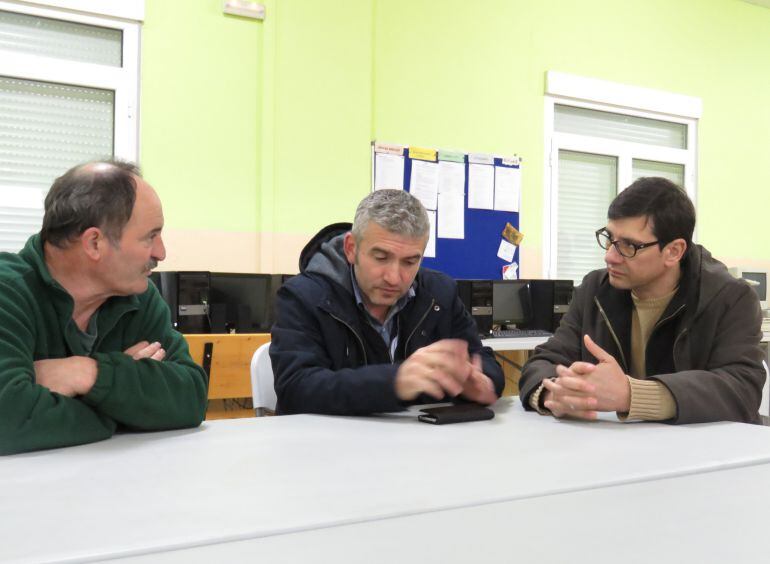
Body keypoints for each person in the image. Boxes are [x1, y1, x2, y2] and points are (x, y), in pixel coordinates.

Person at [0, 160, 208, 455]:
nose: (161, 252)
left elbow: (191, 399)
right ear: (94, 243)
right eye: (151, 236)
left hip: (113, 490)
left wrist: (87, 374)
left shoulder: (139, 298)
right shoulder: (7, 292)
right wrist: (121, 405)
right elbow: (8, 420)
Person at [519, 177, 765, 424]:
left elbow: (741, 390)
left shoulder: (729, 298)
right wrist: (553, 395)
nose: (610, 256)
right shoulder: (595, 289)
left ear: (674, 251)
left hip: (706, 454)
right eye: (609, 238)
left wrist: (631, 395)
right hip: (615, 452)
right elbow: (543, 362)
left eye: (629, 246)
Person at [270, 189, 504, 415]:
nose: (394, 277)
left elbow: (482, 359)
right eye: (381, 258)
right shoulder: (303, 297)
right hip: (329, 447)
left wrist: (480, 382)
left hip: (419, 445)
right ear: (351, 248)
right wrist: (394, 382)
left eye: (410, 262)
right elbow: (296, 388)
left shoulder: (440, 294)